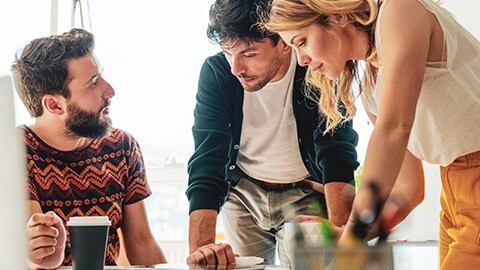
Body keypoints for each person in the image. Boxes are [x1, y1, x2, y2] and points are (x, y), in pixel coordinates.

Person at [264, 0, 480, 268]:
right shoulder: (372, 86)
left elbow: (393, 129)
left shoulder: (401, 10)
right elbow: (408, 187)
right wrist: (350, 233)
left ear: (338, 16)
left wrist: (352, 238)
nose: (301, 60)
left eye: (302, 41)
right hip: (455, 194)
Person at [186, 0, 359, 266]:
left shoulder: (318, 64)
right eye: (228, 53)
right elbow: (208, 159)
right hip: (243, 193)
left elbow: (336, 150)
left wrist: (342, 234)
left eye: (249, 54)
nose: (236, 69)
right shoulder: (217, 72)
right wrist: (201, 252)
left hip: (304, 191)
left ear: (283, 41)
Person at [11, 28, 167, 269]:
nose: (110, 90)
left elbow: (141, 242)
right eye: (93, 83)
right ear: (54, 105)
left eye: (101, 76)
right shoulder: (13, 152)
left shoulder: (122, 146)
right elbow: (35, 255)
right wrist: (41, 258)